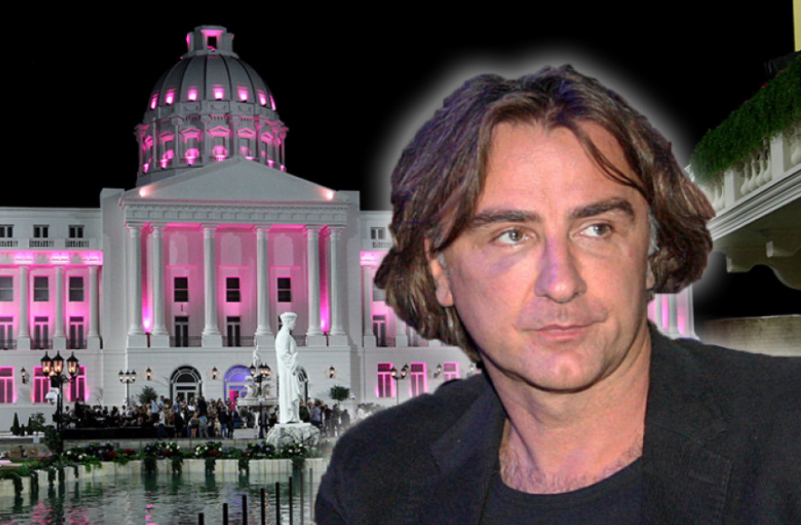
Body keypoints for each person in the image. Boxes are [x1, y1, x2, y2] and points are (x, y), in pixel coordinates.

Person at [316, 66, 801, 524]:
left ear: (652, 249)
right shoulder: (371, 481)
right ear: (439, 269)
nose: (562, 281)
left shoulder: (788, 434)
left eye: (597, 229)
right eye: (512, 235)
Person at [275, 312, 301, 424]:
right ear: (288, 322)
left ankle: (293, 416)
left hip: (290, 371)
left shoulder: (286, 335)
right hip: (288, 371)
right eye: (294, 322)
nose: (295, 324)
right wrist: (294, 363)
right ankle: (289, 416)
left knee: (292, 395)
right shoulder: (283, 336)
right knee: (289, 394)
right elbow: (283, 354)